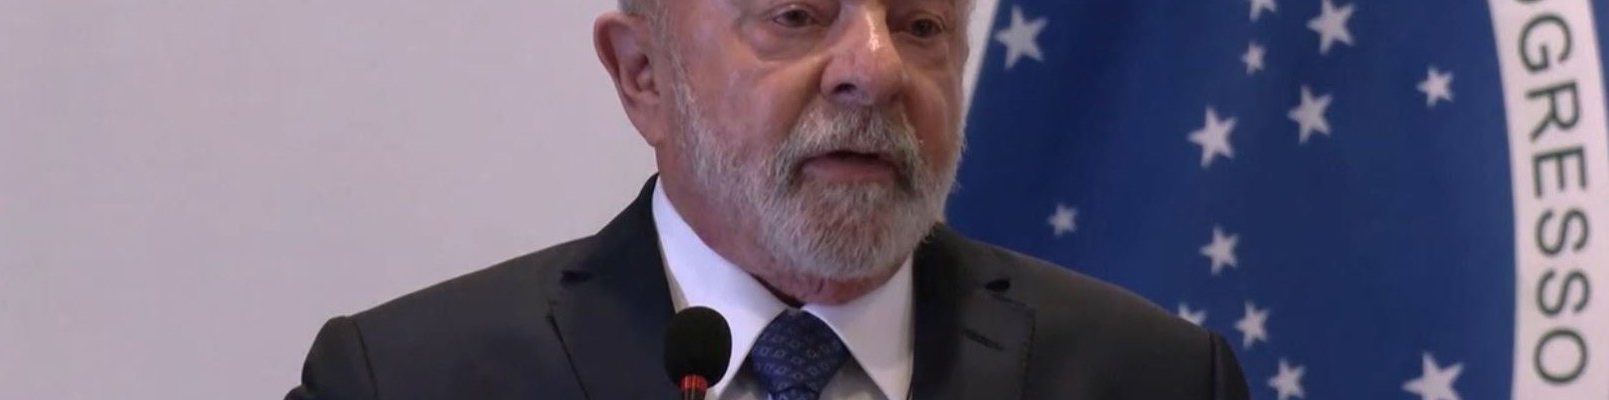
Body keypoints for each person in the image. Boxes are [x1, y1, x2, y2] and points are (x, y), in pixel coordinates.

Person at [285, 0, 1250, 399]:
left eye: (920, 24)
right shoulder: (404, 385)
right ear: (643, 75)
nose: (875, 68)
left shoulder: (1154, 381)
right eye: (797, 15)